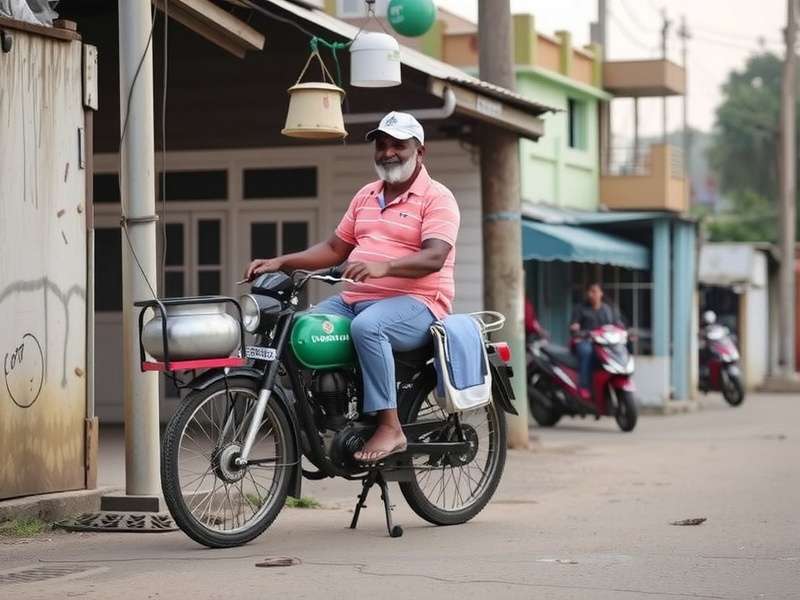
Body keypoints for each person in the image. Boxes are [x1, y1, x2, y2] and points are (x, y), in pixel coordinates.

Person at [244, 111, 459, 464]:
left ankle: (391, 427)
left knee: (368, 327)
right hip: (355, 299)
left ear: (420, 152)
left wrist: (384, 266)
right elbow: (333, 249)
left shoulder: (438, 197)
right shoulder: (366, 195)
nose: (387, 152)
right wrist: (282, 261)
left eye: (398, 145)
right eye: (381, 145)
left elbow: (434, 257)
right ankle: (323, 415)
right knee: (299, 329)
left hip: (419, 302)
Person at [569, 282, 623, 399]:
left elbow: (617, 324)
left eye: (594, 291)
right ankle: (584, 386)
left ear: (601, 293)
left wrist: (624, 330)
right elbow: (574, 326)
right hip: (585, 341)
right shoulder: (580, 308)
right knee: (586, 352)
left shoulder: (607, 309)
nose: (591, 294)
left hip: (604, 343)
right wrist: (575, 328)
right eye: (589, 291)